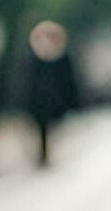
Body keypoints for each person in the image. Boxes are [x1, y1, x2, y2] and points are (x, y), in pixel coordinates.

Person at [18, 20, 78, 167]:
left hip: (52, 101)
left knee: (49, 128)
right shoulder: (32, 57)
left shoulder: (60, 57)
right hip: (39, 101)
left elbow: (67, 81)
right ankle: (43, 155)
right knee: (41, 128)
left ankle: (44, 154)